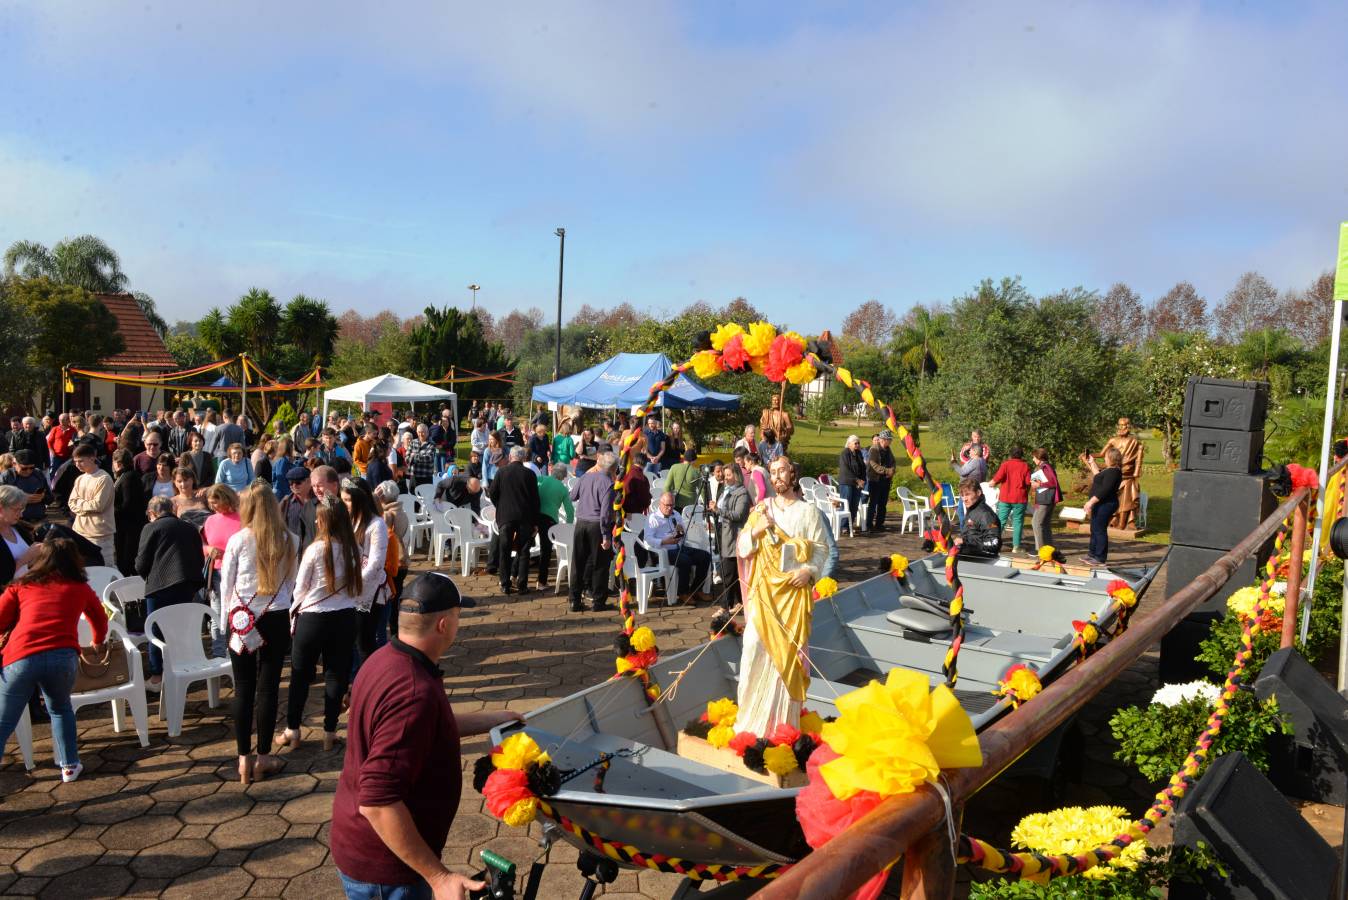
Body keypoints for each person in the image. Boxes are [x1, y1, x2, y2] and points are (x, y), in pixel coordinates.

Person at [330, 573, 523, 900]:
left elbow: (426, 727)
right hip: (387, 868)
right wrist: (439, 877)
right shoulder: (414, 692)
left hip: (364, 847)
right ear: (444, 625)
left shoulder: (385, 659)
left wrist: (496, 719)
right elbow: (378, 801)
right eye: (459, 617)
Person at [0, 538, 108, 783]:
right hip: (63, 657)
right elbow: (99, 618)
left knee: (4, 721)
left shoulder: (22, 585)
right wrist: (97, 641)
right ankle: (69, 766)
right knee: (60, 709)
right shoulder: (80, 587)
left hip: (21, 656)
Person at [735, 455, 827, 735]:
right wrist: (756, 531)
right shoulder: (762, 510)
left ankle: (780, 724)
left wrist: (809, 572)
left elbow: (822, 550)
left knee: (786, 657)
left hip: (792, 596)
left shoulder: (808, 512)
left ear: (793, 475)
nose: (776, 477)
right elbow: (742, 548)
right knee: (752, 647)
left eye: (781, 471)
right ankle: (749, 720)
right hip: (764, 595)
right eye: (772, 472)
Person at [220, 483, 298, 784]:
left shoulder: (238, 540)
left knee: (243, 687)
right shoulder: (290, 539)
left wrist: (223, 621)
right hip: (276, 615)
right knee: (268, 688)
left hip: (243, 617)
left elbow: (225, 583)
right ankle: (263, 757)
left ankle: (243, 759)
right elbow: (291, 583)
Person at [285, 496, 362, 752]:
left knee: (300, 675)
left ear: (325, 520)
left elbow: (300, 588)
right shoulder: (354, 549)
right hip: (344, 617)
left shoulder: (315, 549)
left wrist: (293, 616)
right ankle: (330, 732)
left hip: (313, 617)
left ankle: (293, 729)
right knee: (336, 675)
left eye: (319, 517)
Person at [137, 496, 207, 688]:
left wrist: (147, 576)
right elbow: (199, 558)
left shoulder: (151, 527)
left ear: (152, 513)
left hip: (159, 586)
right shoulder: (189, 528)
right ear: (172, 509)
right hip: (187, 585)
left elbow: (141, 563)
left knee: (156, 630)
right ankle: (185, 669)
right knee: (182, 629)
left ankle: (157, 676)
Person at [342, 480, 391, 666]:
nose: (344, 504)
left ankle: (369, 683)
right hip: (348, 591)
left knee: (365, 641)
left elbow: (376, 564)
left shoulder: (376, 525)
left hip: (368, 594)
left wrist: (352, 583)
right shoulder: (348, 521)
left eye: (347, 500)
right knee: (350, 641)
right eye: (342, 499)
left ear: (359, 499)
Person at [568, 451, 617, 613]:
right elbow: (605, 513)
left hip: (581, 523)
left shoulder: (586, 477)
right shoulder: (608, 483)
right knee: (600, 564)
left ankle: (574, 600)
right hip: (597, 526)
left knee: (578, 563)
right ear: (613, 469)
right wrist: (606, 535)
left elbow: (572, 496)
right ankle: (598, 602)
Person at [487, 446, 539, 595]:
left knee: (505, 551)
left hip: (506, 517)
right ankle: (522, 585)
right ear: (522, 458)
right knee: (524, 552)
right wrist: (535, 522)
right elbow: (535, 500)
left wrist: (500, 505)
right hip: (525, 517)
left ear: (510, 457)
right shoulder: (529, 474)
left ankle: (505, 584)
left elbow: (492, 493)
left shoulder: (501, 472)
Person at [645, 492, 711, 604]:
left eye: (672, 505)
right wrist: (664, 541)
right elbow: (648, 539)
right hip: (665, 550)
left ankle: (696, 590)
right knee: (685, 561)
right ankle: (682, 593)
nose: (670, 508)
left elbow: (683, 533)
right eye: (667, 505)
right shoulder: (653, 518)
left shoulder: (676, 514)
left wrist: (680, 532)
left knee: (705, 556)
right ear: (660, 504)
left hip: (680, 546)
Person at [203, 484, 243, 657]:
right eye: (210, 503)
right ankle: (219, 655)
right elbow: (202, 544)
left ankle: (240, 654)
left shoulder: (242, 518)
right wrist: (208, 549)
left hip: (239, 574)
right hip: (217, 573)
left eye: (215, 502)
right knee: (217, 616)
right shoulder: (210, 520)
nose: (213, 506)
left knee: (239, 615)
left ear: (226, 499)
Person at [1087, 418, 1144, 530]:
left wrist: (1137, 471)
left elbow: (1138, 458)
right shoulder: (1113, 440)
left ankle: (1123, 523)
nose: (1121, 428)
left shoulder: (1134, 442)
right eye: (1120, 425)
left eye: (1124, 425)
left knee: (1126, 500)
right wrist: (1089, 456)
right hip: (1114, 473)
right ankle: (1113, 519)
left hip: (1127, 475)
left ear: (1128, 426)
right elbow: (1102, 454)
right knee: (1111, 496)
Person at [707, 463, 750, 610]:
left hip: (733, 536)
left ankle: (725, 607)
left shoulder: (742, 493)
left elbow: (738, 515)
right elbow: (721, 510)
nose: (725, 478)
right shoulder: (725, 490)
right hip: (722, 532)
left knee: (728, 572)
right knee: (732, 571)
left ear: (736, 476)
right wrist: (714, 509)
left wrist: (718, 510)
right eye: (725, 475)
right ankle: (740, 602)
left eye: (728, 475)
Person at [68, 443, 115, 565]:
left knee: (106, 568)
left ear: (92, 458)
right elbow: (71, 502)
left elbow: (98, 505)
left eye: (81, 461)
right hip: (79, 531)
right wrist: (84, 506)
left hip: (99, 534)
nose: (77, 464)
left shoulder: (104, 478)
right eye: (75, 461)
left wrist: (79, 505)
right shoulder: (80, 479)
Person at [1082, 447, 1123, 566]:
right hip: (1100, 504)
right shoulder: (1109, 470)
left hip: (1106, 504)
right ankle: (1092, 554)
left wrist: (1091, 502)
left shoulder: (1114, 472)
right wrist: (1092, 462)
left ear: (1111, 458)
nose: (1104, 458)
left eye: (1106, 456)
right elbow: (1097, 475)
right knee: (1094, 528)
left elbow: (1105, 490)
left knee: (1099, 530)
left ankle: (1100, 557)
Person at [536, 464, 574, 590]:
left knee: (524, 548)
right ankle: (541, 582)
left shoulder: (542, 479)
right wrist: (568, 527)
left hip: (534, 516)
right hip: (549, 520)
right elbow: (570, 511)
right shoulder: (563, 489)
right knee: (545, 551)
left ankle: (514, 577)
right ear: (562, 476)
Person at [990, 446, 1032, 555]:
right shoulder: (1025, 466)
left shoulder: (1005, 464)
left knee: (1000, 521)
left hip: (1005, 498)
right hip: (1020, 498)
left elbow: (996, 479)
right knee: (1017, 522)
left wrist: (991, 483)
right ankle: (1016, 547)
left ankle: (994, 543)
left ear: (1010, 454)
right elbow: (1028, 482)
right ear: (1022, 455)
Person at [111, 449, 147, 575]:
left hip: (129, 526)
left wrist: (110, 511)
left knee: (126, 559)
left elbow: (128, 503)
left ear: (119, 463)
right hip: (126, 525)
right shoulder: (127, 475)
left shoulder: (129, 477)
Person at [955, 477, 1002, 560]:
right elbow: (969, 535)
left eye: (968, 494)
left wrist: (966, 542)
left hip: (982, 562)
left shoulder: (986, 515)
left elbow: (994, 544)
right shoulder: (972, 510)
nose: (964, 499)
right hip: (969, 555)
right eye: (962, 495)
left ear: (978, 492)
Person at [0, 484, 38, 584]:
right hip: (7, 596)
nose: (21, 514)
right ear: (1, 508)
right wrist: (24, 559)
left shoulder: (19, 528)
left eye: (22, 510)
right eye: (16, 509)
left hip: (28, 590)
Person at [2, 450, 50, 523]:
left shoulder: (38, 474)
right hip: (17, 522)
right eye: (24, 468)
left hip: (39, 519)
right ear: (14, 464)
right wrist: (21, 499)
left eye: (31, 468)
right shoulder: (6, 477)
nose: (28, 471)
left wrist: (42, 497)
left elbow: (50, 498)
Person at [1029, 448, 1061, 552]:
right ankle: (1049, 549)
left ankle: (1041, 550)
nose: (1033, 459)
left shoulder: (1045, 467)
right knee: (1045, 524)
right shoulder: (1044, 467)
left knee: (1036, 522)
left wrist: (1039, 484)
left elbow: (1053, 482)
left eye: (1034, 457)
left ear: (1039, 457)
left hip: (1045, 499)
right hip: (1045, 499)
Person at [865, 430, 897, 532]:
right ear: (883, 440)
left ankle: (879, 524)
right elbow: (874, 465)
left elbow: (893, 461)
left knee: (883, 504)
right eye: (889, 440)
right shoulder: (874, 450)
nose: (890, 442)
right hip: (875, 480)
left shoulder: (888, 449)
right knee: (873, 503)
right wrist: (888, 471)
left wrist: (892, 470)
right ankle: (869, 525)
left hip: (885, 480)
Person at [281, 467, 317, 549]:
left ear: (308, 481)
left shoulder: (320, 497)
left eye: (298, 482)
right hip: (294, 550)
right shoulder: (286, 502)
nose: (294, 486)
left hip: (315, 548)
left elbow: (338, 507)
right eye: (290, 483)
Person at [837, 435, 867, 528]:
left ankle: (849, 526)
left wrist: (862, 480)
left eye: (858, 443)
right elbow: (846, 469)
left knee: (854, 505)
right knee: (846, 504)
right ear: (849, 444)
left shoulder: (858, 453)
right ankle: (843, 526)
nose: (857, 445)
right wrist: (857, 480)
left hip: (857, 484)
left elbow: (863, 467)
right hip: (847, 482)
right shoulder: (845, 453)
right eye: (855, 443)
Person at [664, 447, 703, 512]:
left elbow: (667, 486)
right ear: (694, 460)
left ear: (684, 458)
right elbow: (702, 490)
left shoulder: (674, 467)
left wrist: (667, 501)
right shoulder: (697, 472)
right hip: (691, 504)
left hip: (676, 502)